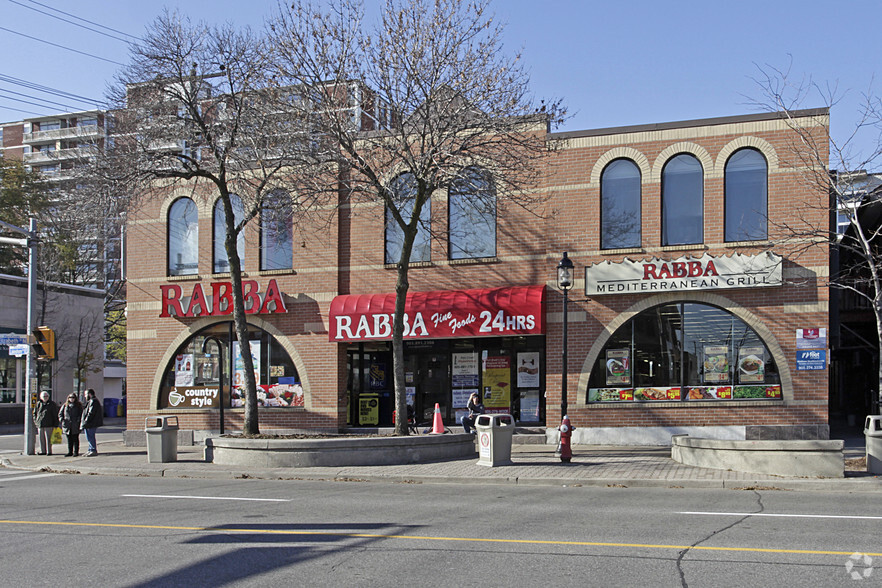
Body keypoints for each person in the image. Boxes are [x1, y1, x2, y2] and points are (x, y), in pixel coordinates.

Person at [33, 391, 59, 455]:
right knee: (41, 439)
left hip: (49, 424)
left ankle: (49, 451)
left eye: (47, 396)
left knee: (48, 439)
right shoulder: (38, 404)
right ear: (41, 397)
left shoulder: (52, 404)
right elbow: (35, 413)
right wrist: (36, 421)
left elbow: (55, 414)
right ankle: (43, 451)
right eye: (44, 396)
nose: (45, 398)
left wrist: (56, 424)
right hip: (40, 424)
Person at [58, 393, 82, 457]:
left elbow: (81, 414)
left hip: (75, 425)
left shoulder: (78, 406)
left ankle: (76, 452)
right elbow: (60, 414)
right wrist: (62, 419)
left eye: (73, 398)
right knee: (69, 439)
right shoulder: (65, 406)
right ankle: (70, 452)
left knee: (75, 439)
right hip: (67, 425)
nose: (71, 399)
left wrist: (78, 421)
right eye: (70, 398)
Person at [80, 389, 103, 457]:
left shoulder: (93, 401)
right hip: (90, 423)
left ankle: (93, 450)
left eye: (85, 394)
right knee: (89, 437)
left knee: (90, 436)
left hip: (91, 423)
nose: (84, 396)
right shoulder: (91, 401)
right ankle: (90, 449)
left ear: (89, 394)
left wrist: (86, 421)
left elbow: (91, 413)